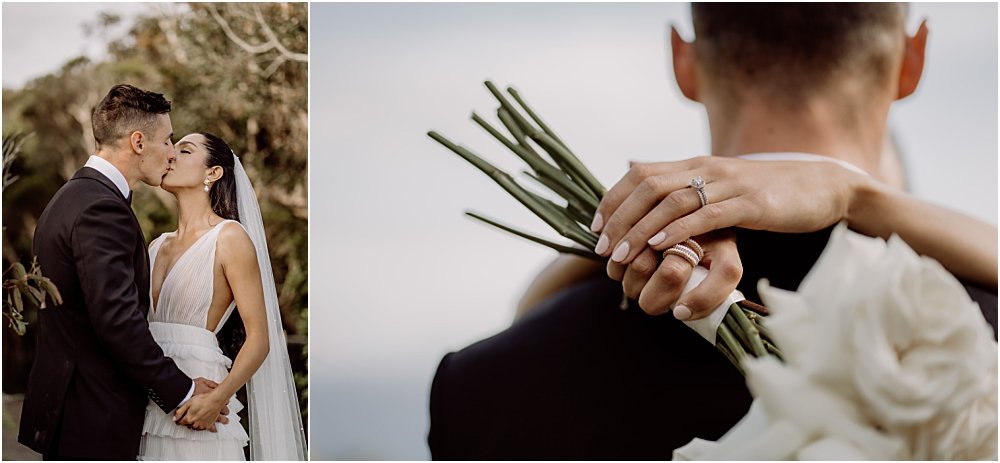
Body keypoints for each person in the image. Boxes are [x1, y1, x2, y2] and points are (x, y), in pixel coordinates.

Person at [428, 4, 998, 459]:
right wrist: (854, 195)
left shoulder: (483, 388)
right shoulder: (981, 332)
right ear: (912, 59)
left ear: (683, 62)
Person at [18, 84, 224, 460]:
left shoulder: (69, 198)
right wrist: (183, 391)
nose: (171, 152)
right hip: (93, 417)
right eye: (167, 140)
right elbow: (117, 321)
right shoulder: (102, 209)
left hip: (73, 412)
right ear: (138, 142)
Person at [138, 132, 307, 460]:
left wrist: (218, 399)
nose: (171, 155)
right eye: (172, 148)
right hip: (152, 398)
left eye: (185, 150)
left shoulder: (229, 237)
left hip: (204, 397)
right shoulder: (155, 246)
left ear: (213, 173)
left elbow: (260, 337)